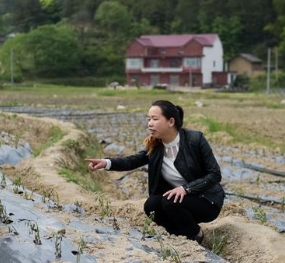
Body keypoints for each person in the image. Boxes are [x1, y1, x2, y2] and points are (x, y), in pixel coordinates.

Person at [86, 100, 224, 244]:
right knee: (151, 205)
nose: (150, 123)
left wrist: (186, 189)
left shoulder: (195, 139)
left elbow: (215, 174)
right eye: (148, 119)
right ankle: (177, 235)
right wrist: (106, 163)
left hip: (206, 200)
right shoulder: (156, 145)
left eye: (155, 119)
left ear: (171, 121)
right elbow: (133, 161)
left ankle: (195, 234)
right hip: (177, 200)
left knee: (169, 202)